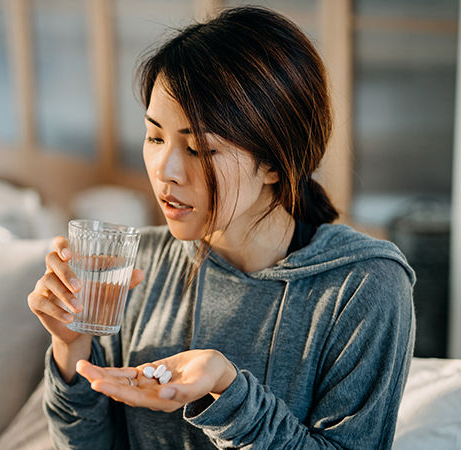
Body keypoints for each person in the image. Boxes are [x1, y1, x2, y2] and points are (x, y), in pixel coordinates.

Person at [27, 6, 415, 449]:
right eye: (155, 137)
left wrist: (230, 395)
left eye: (198, 148)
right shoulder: (137, 267)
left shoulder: (364, 286)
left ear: (272, 161)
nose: (165, 171)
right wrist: (71, 348)